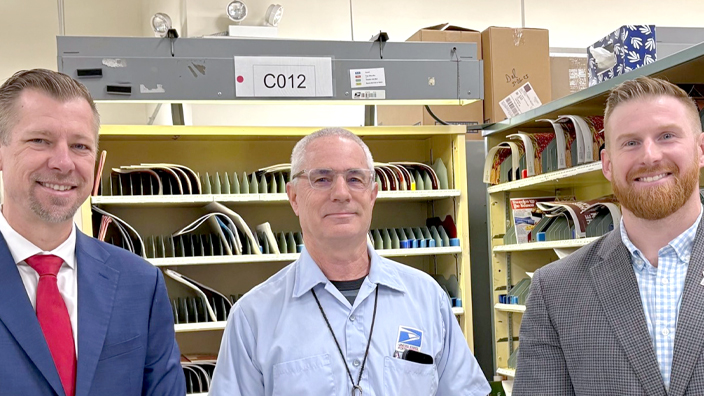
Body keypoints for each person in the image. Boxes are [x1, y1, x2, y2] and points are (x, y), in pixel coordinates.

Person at [210, 128, 489, 395]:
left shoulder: (428, 300)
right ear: (293, 197)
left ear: (372, 195)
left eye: (355, 179)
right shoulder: (253, 317)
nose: (341, 193)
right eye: (322, 179)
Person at [513, 76, 704, 395]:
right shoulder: (556, 292)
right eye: (630, 142)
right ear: (607, 164)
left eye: (667, 136)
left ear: (700, 150)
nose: (650, 156)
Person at [0, 69, 185, 395]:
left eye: (80, 146)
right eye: (39, 140)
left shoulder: (141, 284)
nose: (62, 162)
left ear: (96, 164)